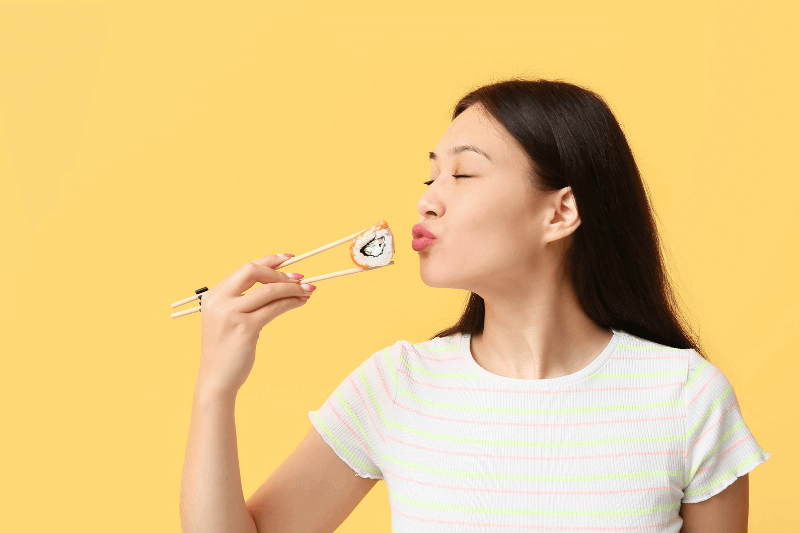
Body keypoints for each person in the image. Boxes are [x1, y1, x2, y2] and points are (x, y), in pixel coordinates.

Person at [179, 78, 770, 533]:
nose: (427, 201)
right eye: (430, 174)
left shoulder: (687, 398)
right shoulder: (396, 386)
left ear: (560, 212)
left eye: (463, 173)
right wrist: (215, 387)